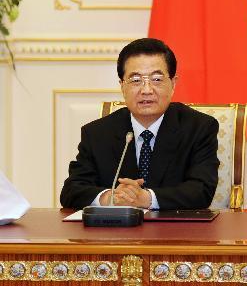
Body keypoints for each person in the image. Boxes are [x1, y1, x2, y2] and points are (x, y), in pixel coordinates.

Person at [60, 38, 219, 210]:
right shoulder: (97, 133)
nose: (146, 90)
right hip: (116, 234)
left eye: (156, 79)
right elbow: (71, 191)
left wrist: (147, 199)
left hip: (176, 234)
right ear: (122, 86)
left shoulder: (199, 128)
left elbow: (201, 191)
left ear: (173, 84)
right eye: (136, 80)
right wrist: (110, 198)